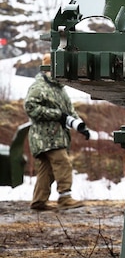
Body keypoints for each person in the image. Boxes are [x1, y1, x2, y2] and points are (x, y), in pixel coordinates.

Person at [24, 53, 89, 211]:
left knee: (47, 170)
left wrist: (80, 125)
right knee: (62, 162)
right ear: (48, 68)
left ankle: (38, 202)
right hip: (45, 136)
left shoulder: (59, 89)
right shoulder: (39, 87)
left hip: (57, 136)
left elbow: (69, 112)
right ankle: (65, 197)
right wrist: (57, 115)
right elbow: (30, 107)